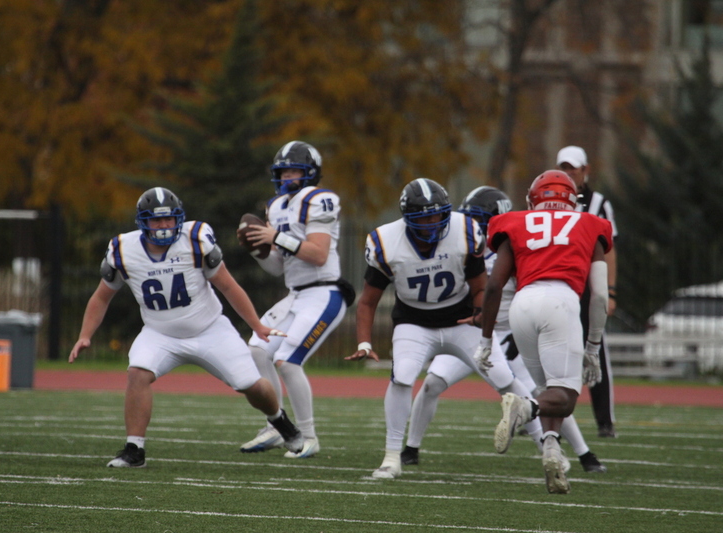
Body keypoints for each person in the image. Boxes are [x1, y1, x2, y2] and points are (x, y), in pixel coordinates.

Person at [69, 186, 304, 467]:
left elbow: (229, 286)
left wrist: (257, 325)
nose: (164, 225)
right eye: (156, 220)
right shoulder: (123, 250)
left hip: (210, 329)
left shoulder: (195, 240)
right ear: (143, 222)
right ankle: (134, 450)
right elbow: (101, 297)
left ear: (178, 218)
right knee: (137, 372)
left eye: (168, 218)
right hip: (160, 334)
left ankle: (279, 420)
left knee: (250, 385)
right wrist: (85, 335)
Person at [402, 186, 607, 474]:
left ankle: (581, 453)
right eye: (470, 218)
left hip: (511, 334)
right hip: (472, 332)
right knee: (432, 383)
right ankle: (410, 448)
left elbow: (520, 292)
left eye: (480, 218)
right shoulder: (462, 248)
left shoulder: (516, 244)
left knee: (542, 391)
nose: (475, 224)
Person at [346, 177, 515, 480]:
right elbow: (368, 302)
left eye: (438, 215)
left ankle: (549, 444)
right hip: (414, 322)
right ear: (408, 217)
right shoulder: (387, 243)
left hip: (461, 321)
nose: (433, 223)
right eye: (424, 217)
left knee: (504, 377)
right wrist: (364, 343)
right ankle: (392, 457)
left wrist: (479, 314)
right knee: (402, 376)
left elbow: (480, 287)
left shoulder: (464, 231)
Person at [474, 170, 613, 494]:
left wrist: (485, 339)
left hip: (523, 305)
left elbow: (493, 286)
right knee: (564, 398)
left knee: (548, 389)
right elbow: (600, 296)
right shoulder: (591, 224)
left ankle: (551, 448)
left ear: (532, 199)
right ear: (573, 200)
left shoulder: (515, 222)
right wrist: (593, 346)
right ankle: (525, 408)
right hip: (560, 303)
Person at [238, 141, 352, 459]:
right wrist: (258, 251)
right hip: (296, 294)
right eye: (283, 171)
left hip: (324, 292)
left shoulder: (320, 199)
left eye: (294, 171)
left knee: (287, 361)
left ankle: (309, 437)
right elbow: (278, 267)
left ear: (310, 173)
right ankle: (276, 426)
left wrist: (275, 237)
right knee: (257, 350)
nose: (287, 176)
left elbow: (317, 255)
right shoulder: (275, 206)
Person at [556, 145, 619, 438]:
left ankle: (605, 421)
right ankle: (539, 413)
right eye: (564, 168)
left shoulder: (599, 204)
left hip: (587, 289)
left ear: (586, 170)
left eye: (573, 168)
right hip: (558, 285)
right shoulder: (548, 199)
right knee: (548, 348)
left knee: (595, 351)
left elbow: (609, 250)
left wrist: (610, 290)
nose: (569, 173)